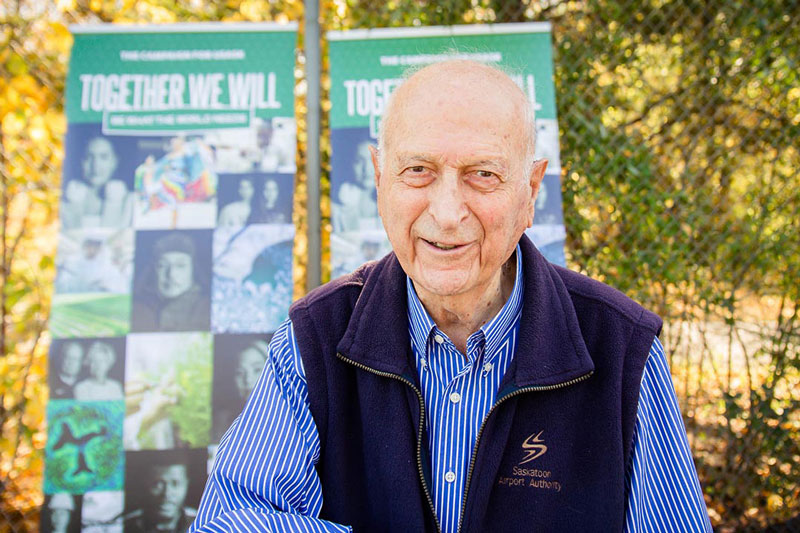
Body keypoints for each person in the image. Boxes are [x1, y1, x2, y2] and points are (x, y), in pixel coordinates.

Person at [191, 61, 711, 532]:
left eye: (482, 175)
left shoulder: (623, 348)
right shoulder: (314, 337)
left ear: (531, 193)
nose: (446, 212)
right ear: (379, 180)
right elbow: (231, 519)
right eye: (418, 171)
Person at [131, 232, 209, 332]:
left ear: (193, 270)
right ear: (153, 270)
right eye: (162, 265)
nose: (171, 274)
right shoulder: (137, 308)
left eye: (180, 266)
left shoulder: (206, 308)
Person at [60, 136, 133, 229]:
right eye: (89, 157)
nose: (95, 165)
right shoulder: (63, 200)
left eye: (104, 157)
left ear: (114, 162)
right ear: (81, 161)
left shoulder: (130, 201)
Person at [124, 460, 197, 533]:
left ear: (187, 484)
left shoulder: (201, 522)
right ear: (146, 484)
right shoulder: (125, 525)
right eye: (158, 484)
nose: (166, 494)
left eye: (175, 484)